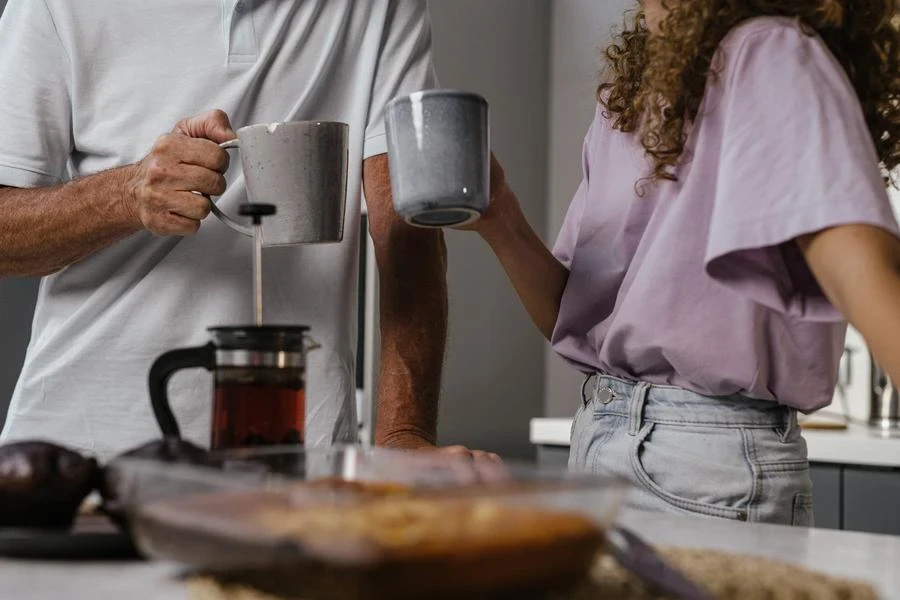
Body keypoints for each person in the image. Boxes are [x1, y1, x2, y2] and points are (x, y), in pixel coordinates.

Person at [0, 0, 498, 463]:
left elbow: (407, 230)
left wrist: (402, 439)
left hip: (296, 449)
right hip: (79, 445)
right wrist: (127, 195)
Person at [467, 0, 900, 524]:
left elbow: (866, 278)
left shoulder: (770, 52)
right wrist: (501, 217)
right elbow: (574, 317)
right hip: (598, 442)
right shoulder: (624, 103)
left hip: (709, 468)